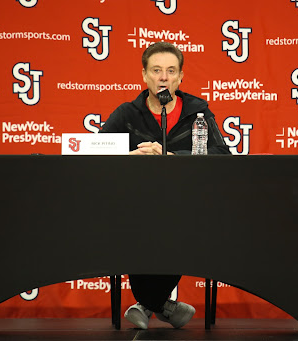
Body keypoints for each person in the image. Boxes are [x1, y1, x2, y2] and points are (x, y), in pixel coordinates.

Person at [100, 42, 230, 329]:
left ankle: (147, 304)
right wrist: (130, 157)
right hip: (135, 208)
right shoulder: (127, 113)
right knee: (142, 222)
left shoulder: (198, 113)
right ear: (144, 75)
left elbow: (222, 155)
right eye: (156, 70)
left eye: (171, 71)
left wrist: (173, 157)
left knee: (174, 221)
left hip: (186, 208)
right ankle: (163, 305)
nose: (163, 78)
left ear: (180, 77)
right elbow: (95, 152)